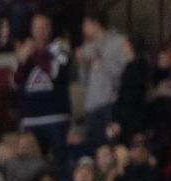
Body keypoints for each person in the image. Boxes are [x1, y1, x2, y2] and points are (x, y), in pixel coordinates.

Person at [14, 13, 71, 160]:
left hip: (55, 117)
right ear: (31, 30)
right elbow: (17, 80)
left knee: (60, 162)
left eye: (44, 27)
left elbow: (55, 72)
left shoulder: (60, 47)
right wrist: (23, 61)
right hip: (31, 118)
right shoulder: (25, 49)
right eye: (36, 28)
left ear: (50, 29)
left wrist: (35, 53)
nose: (40, 31)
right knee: (33, 166)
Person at [77, 12, 128, 143]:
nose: (83, 29)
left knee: (112, 144)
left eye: (85, 25)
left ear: (96, 24)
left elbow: (124, 72)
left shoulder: (119, 42)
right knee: (94, 146)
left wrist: (102, 62)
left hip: (111, 103)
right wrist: (82, 64)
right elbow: (83, 81)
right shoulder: (87, 47)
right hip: (91, 105)